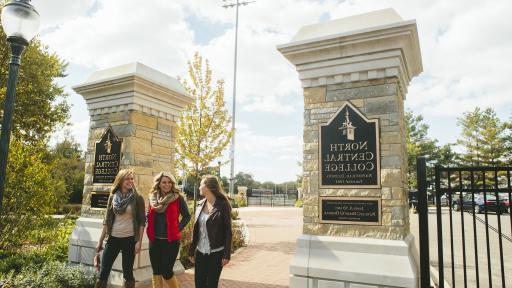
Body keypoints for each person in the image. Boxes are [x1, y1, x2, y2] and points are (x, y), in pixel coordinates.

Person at [95, 169, 146, 288]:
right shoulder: (113, 197)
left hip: (129, 239)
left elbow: (142, 222)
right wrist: (100, 240)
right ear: (121, 180)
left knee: (127, 273)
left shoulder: (137, 198)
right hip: (113, 238)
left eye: (132, 178)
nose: (130, 181)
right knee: (104, 271)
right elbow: (107, 220)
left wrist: (139, 241)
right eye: (127, 179)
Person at [146, 172, 191, 288]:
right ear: (159, 184)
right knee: (156, 272)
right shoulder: (152, 198)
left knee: (166, 272)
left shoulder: (177, 198)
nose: (167, 185)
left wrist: (178, 228)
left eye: (169, 182)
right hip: (154, 240)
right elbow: (148, 214)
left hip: (171, 241)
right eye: (164, 182)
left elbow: (187, 216)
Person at [188, 175, 233, 288]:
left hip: (216, 253)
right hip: (200, 251)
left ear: (208, 187)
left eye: (201, 184)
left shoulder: (223, 204)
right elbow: (196, 229)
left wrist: (226, 254)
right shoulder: (199, 204)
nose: (199, 187)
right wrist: (191, 250)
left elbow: (228, 231)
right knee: (199, 284)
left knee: (211, 285)